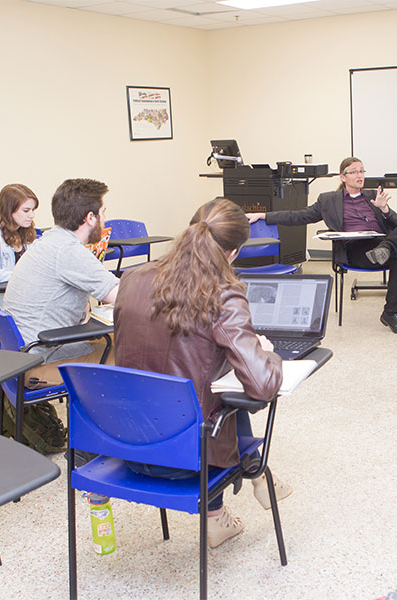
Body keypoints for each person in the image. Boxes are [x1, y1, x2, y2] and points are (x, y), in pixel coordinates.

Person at [113, 198, 285, 548]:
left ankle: (253, 481)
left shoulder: (131, 279)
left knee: (202, 383)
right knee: (229, 393)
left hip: (126, 443)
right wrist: (268, 354)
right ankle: (255, 472)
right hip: (186, 458)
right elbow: (264, 388)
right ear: (234, 253)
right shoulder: (223, 295)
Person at [246, 157, 397, 335]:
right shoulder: (328, 200)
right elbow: (299, 216)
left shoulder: (373, 196)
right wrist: (265, 216)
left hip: (380, 244)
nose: (360, 175)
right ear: (343, 177)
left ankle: (387, 259)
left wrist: (384, 209)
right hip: (357, 250)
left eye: (362, 171)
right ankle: (392, 313)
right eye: (354, 171)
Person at [2, 178, 119, 388]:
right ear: (90, 217)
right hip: (42, 361)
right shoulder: (67, 251)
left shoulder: (49, 241)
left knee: (112, 337)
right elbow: (122, 296)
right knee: (136, 355)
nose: (105, 219)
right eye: (103, 213)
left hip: (23, 355)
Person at [0, 184, 39, 285]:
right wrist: (26, 275)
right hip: (0, 293)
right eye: (26, 210)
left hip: (22, 289)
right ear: (9, 210)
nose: (32, 215)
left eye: (33, 210)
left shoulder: (23, 230)